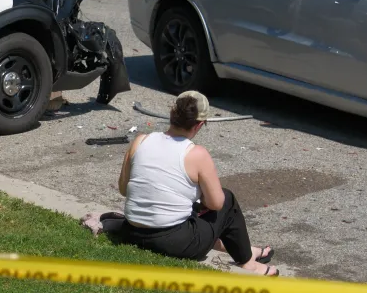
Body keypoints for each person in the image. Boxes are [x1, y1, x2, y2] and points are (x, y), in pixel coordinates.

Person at [118, 91, 278, 276]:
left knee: (191, 206)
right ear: (200, 124)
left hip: (131, 233)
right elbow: (216, 204)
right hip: (173, 243)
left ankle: (246, 249)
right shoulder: (196, 154)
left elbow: (124, 189)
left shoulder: (141, 140)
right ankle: (248, 263)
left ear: (172, 114)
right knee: (227, 200)